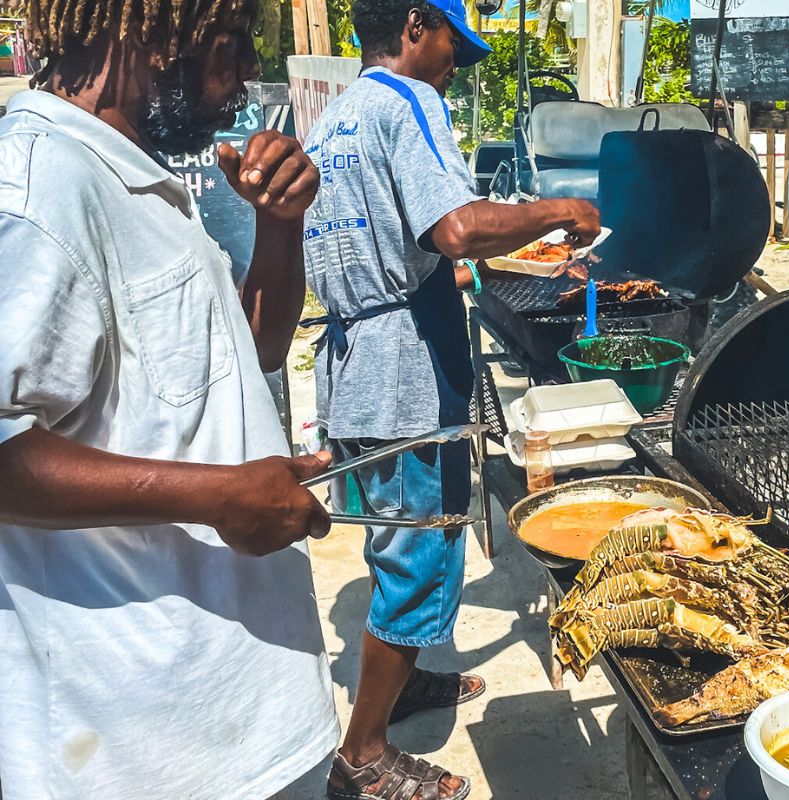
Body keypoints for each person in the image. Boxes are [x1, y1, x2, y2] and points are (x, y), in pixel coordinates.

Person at [0, 0, 340, 796]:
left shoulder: (138, 177)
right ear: (147, 32)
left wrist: (279, 224)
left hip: (242, 715)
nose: (248, 70)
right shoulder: (37, 191)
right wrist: (221, 496)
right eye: (230, 42)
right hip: (140, 751)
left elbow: (250, 348)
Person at [301, 0, 600, 796]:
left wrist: (471, 268)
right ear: (412, 25)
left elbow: (407, 251)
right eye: (450, 47)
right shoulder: (407, 101)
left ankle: (407, 682)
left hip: (355, 360)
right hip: (404, 372)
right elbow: (460, 228)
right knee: (425, 552)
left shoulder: (333, 121)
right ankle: (362, 756)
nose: (451, 67)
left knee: (392, 538)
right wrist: (558, 210)